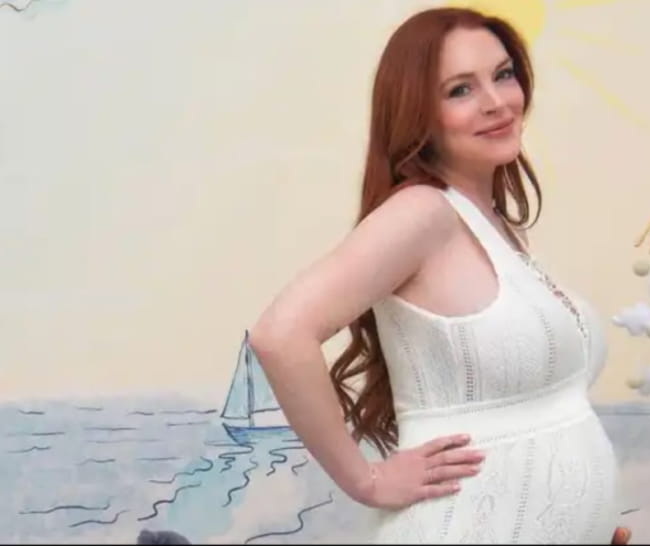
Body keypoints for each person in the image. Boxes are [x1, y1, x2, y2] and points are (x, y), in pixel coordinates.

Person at [249, 6, 630, 544]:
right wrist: (366, 480)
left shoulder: (493, 226)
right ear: (418, 114)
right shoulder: (423, 213)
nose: (496, 102)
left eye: (503, 74)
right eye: (460, 90)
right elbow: (280, 334)